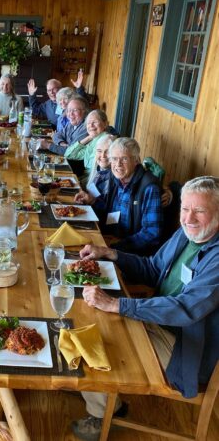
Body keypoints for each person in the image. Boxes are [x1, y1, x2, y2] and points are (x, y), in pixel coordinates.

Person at [71, 175, 219, 441]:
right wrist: (111, 254)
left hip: (185, 347)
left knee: (99, 338)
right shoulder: (186, 235)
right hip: (158, 322)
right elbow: (152, 268)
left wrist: (118, 304)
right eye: (185, 208)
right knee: (88, 318)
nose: (189, 218)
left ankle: (104, 412)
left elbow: (185, 309)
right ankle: (103, 398)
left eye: (200, 210)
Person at [95, 137, 163, 254]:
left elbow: (152, 233)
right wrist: (91, 201)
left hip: (132, 253)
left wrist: (117, 246)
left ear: (136, 160)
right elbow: (107, 207)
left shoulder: (149, 188)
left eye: (124, 159)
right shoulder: (115, 177)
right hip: (110, 240)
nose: (118, 164)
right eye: (114, 159)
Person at [64, 110, 112, 183]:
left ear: (105, 124)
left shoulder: (107, 141)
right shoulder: (93, 141)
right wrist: (89, 137)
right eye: (88, 123)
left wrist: (78, 184)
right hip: (85, 179)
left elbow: (101, 173)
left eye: (94, 122)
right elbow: (69, 155)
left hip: (93, 183)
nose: (91, 125)